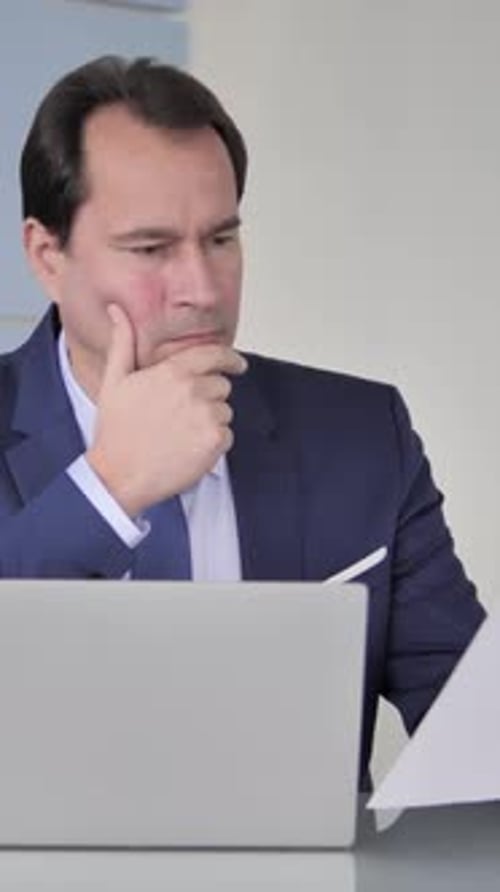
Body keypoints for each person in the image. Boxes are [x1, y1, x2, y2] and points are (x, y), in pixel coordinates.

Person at [1, 55, 484, 786]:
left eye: (221, 239)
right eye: (151, 248)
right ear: (46, 254)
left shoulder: (361, 437)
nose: (202, 288)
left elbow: (473, 731)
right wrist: (107, 491)